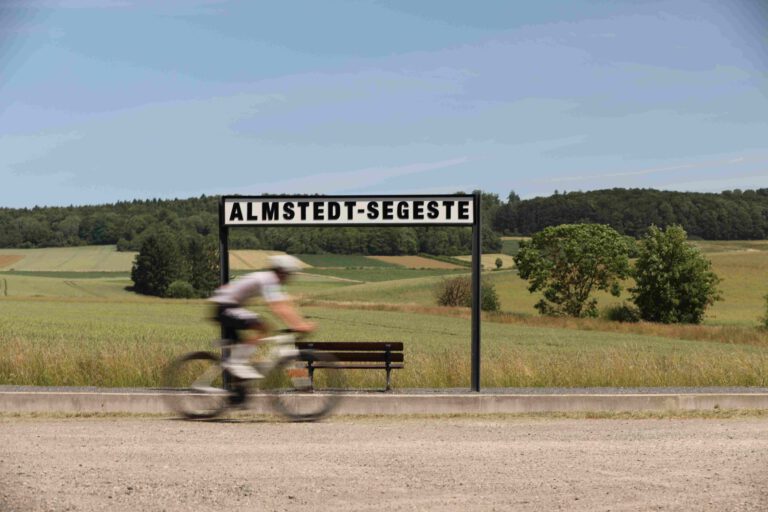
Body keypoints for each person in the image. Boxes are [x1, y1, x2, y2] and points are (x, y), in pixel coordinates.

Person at [209, 254, 315, 379]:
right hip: (225, 307)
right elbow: (278, 307)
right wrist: (299, 325)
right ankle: (237, 363)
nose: (289, 278)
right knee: (263, 327)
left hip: (227, 306)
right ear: (282, 271)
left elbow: (285, 305)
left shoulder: (269, 280)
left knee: (261, 328)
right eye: (289, 274)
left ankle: (239, 376)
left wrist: (299, 322)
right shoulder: (269, 279)